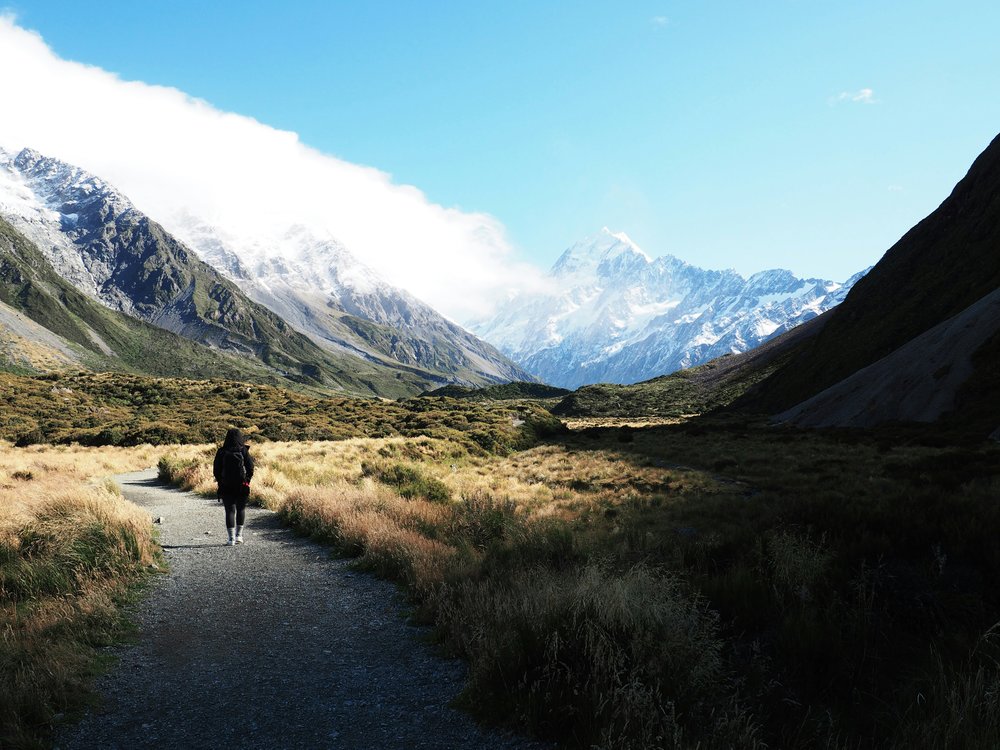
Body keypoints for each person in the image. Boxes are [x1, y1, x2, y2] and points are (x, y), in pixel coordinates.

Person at [213, 427, 255, 546]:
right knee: (241, 509)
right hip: (242, 485)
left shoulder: (221, 451)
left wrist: (221, 482)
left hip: (226, 486)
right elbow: (250, 468)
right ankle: (239, 536)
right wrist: (247, 481)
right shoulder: (243, 451)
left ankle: (230, 539)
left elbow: (216, 470)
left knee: (229, 511)